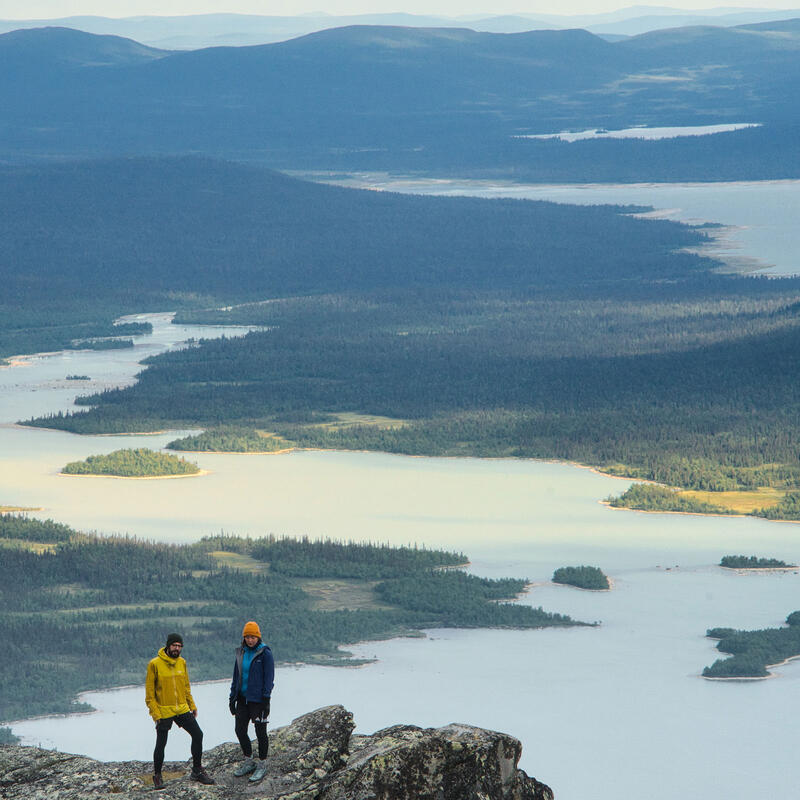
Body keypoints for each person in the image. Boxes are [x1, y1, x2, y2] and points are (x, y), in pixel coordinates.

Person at [145, 632, 215, 790]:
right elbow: (149, 695)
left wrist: (192, 705)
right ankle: (157, 775)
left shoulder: (182, 662)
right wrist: (155, 714)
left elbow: (186, 686)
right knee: (161, 743)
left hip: (182, 708)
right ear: (168, 646)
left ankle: (197, 771)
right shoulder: (154, 664)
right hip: (164, 711)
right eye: (174, 645)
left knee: (198, 734)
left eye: (179, 646)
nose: (177, 648)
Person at [229, 620, 274, 783]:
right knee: (240, 730)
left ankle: (262, 765)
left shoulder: (265, 653)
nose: (250, 640)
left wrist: (266, 699)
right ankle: (249, 761)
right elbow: (236, 676)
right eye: (247, 637)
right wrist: (232, 698)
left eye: (253, 637)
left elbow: (269, 678)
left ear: (258, 637)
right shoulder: (241, 652)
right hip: (242, 699)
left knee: (260, 732)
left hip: (258, 700)